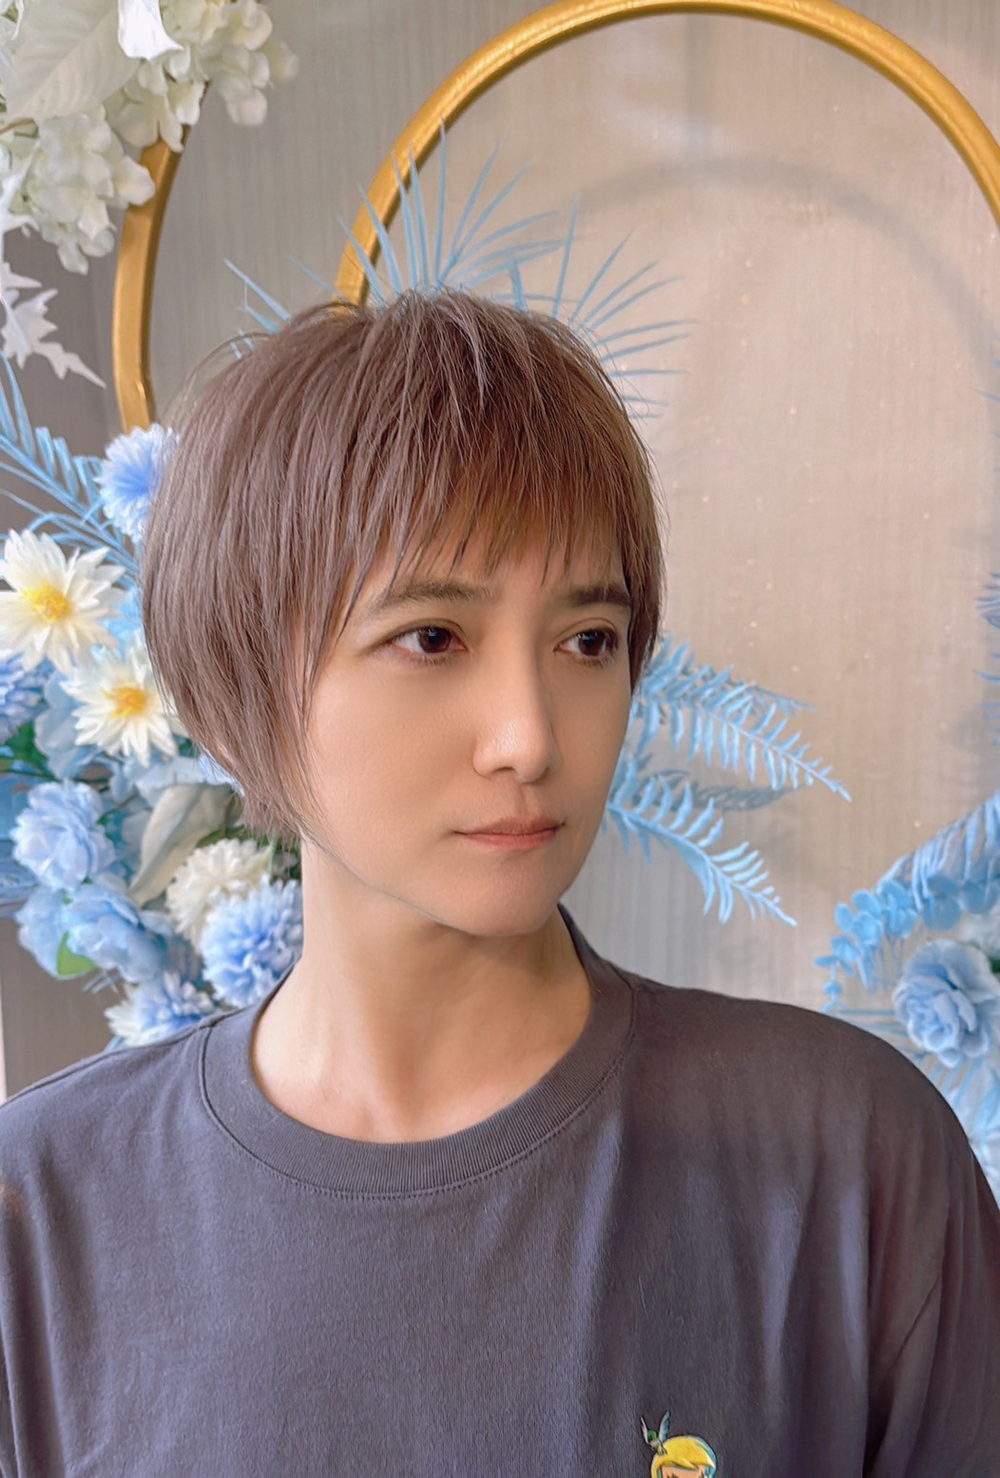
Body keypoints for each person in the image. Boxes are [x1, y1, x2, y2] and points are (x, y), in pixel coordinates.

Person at [0, 288, 997, 1476]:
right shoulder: (40, 1215)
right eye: (432, 637)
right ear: (230, 693)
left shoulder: (846, 1157)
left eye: (587, 640)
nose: (530, 735)